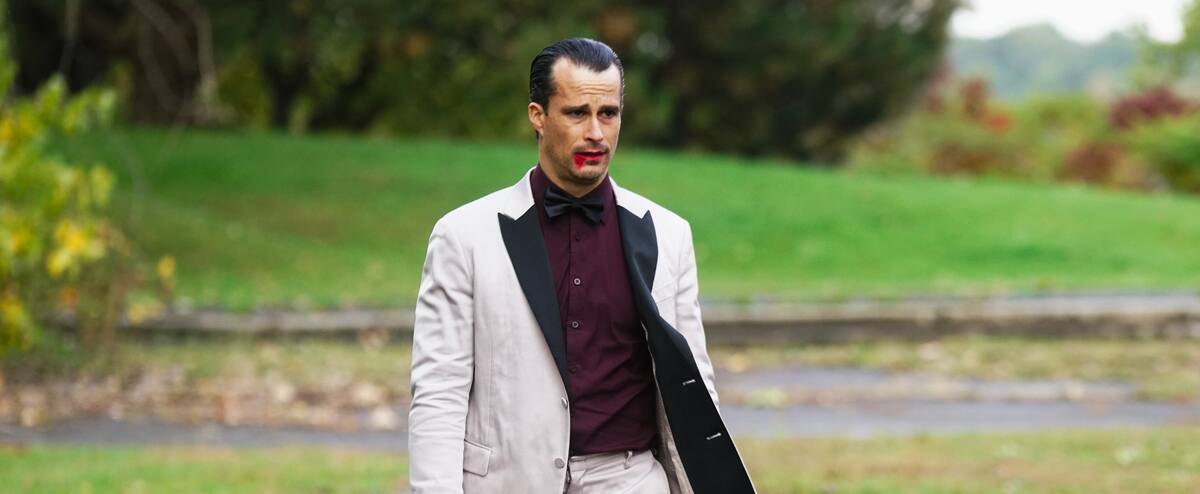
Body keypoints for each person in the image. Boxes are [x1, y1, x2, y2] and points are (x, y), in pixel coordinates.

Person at [408, 37, 755, 494]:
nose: (596, 132)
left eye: (608, 113)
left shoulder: (669, 234)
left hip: (630, 479)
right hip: (509, 481)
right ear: (538, 116)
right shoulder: (463, 236)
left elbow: (693, 385)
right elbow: (439, 390)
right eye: (577, 113)